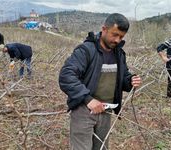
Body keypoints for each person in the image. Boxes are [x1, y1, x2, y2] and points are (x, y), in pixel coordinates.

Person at [59, 13, 142, 150]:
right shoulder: (86, 50)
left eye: (121, 37)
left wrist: (130, 80)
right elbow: (66, 76)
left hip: (106, 111)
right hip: (84, 109)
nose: (117, 40)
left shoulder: (119, 53)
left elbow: (123, 77)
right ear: (104, 29)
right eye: (114, 34)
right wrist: (88, 99)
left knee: (101, 148)